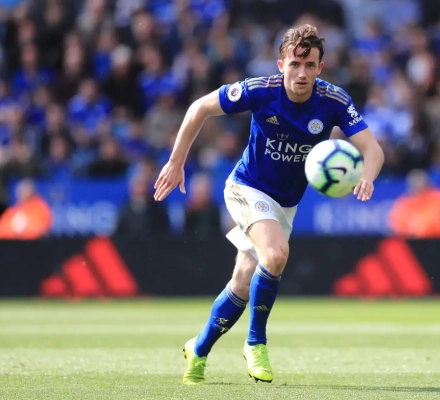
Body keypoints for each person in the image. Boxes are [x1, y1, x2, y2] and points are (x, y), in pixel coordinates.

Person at [153, 24, 384, 385]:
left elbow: (373, 149)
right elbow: (199, 108)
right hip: (247, 188)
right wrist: (176, 161)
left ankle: (198, 348)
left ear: (320, 67)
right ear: (281, 65)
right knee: (276, 255)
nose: (302, 73)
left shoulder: (334, 101)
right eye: (295, 64)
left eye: (310, 65)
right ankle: (256, 342)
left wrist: (367, 176)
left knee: (243, 281)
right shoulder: (260, 90)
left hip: (284, 205)